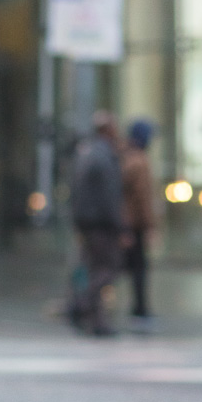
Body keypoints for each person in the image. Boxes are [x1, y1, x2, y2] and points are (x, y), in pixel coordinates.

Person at [68, 110, 123, 336]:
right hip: (100, 223)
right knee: (105, 270)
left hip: (88, 221)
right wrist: (118, 224)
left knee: (92, 268)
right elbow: (109, 195)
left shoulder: (87, 153)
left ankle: (90, 314)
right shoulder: (103, 156)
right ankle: (84, 308)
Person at [121, 118, 157, 328]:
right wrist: (150, 225)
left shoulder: (125, 157)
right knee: (138, 269)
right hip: (134, 225)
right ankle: (140, 310)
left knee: (123, 267)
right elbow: (143, 199)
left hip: (126, 223)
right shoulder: (139, 161)